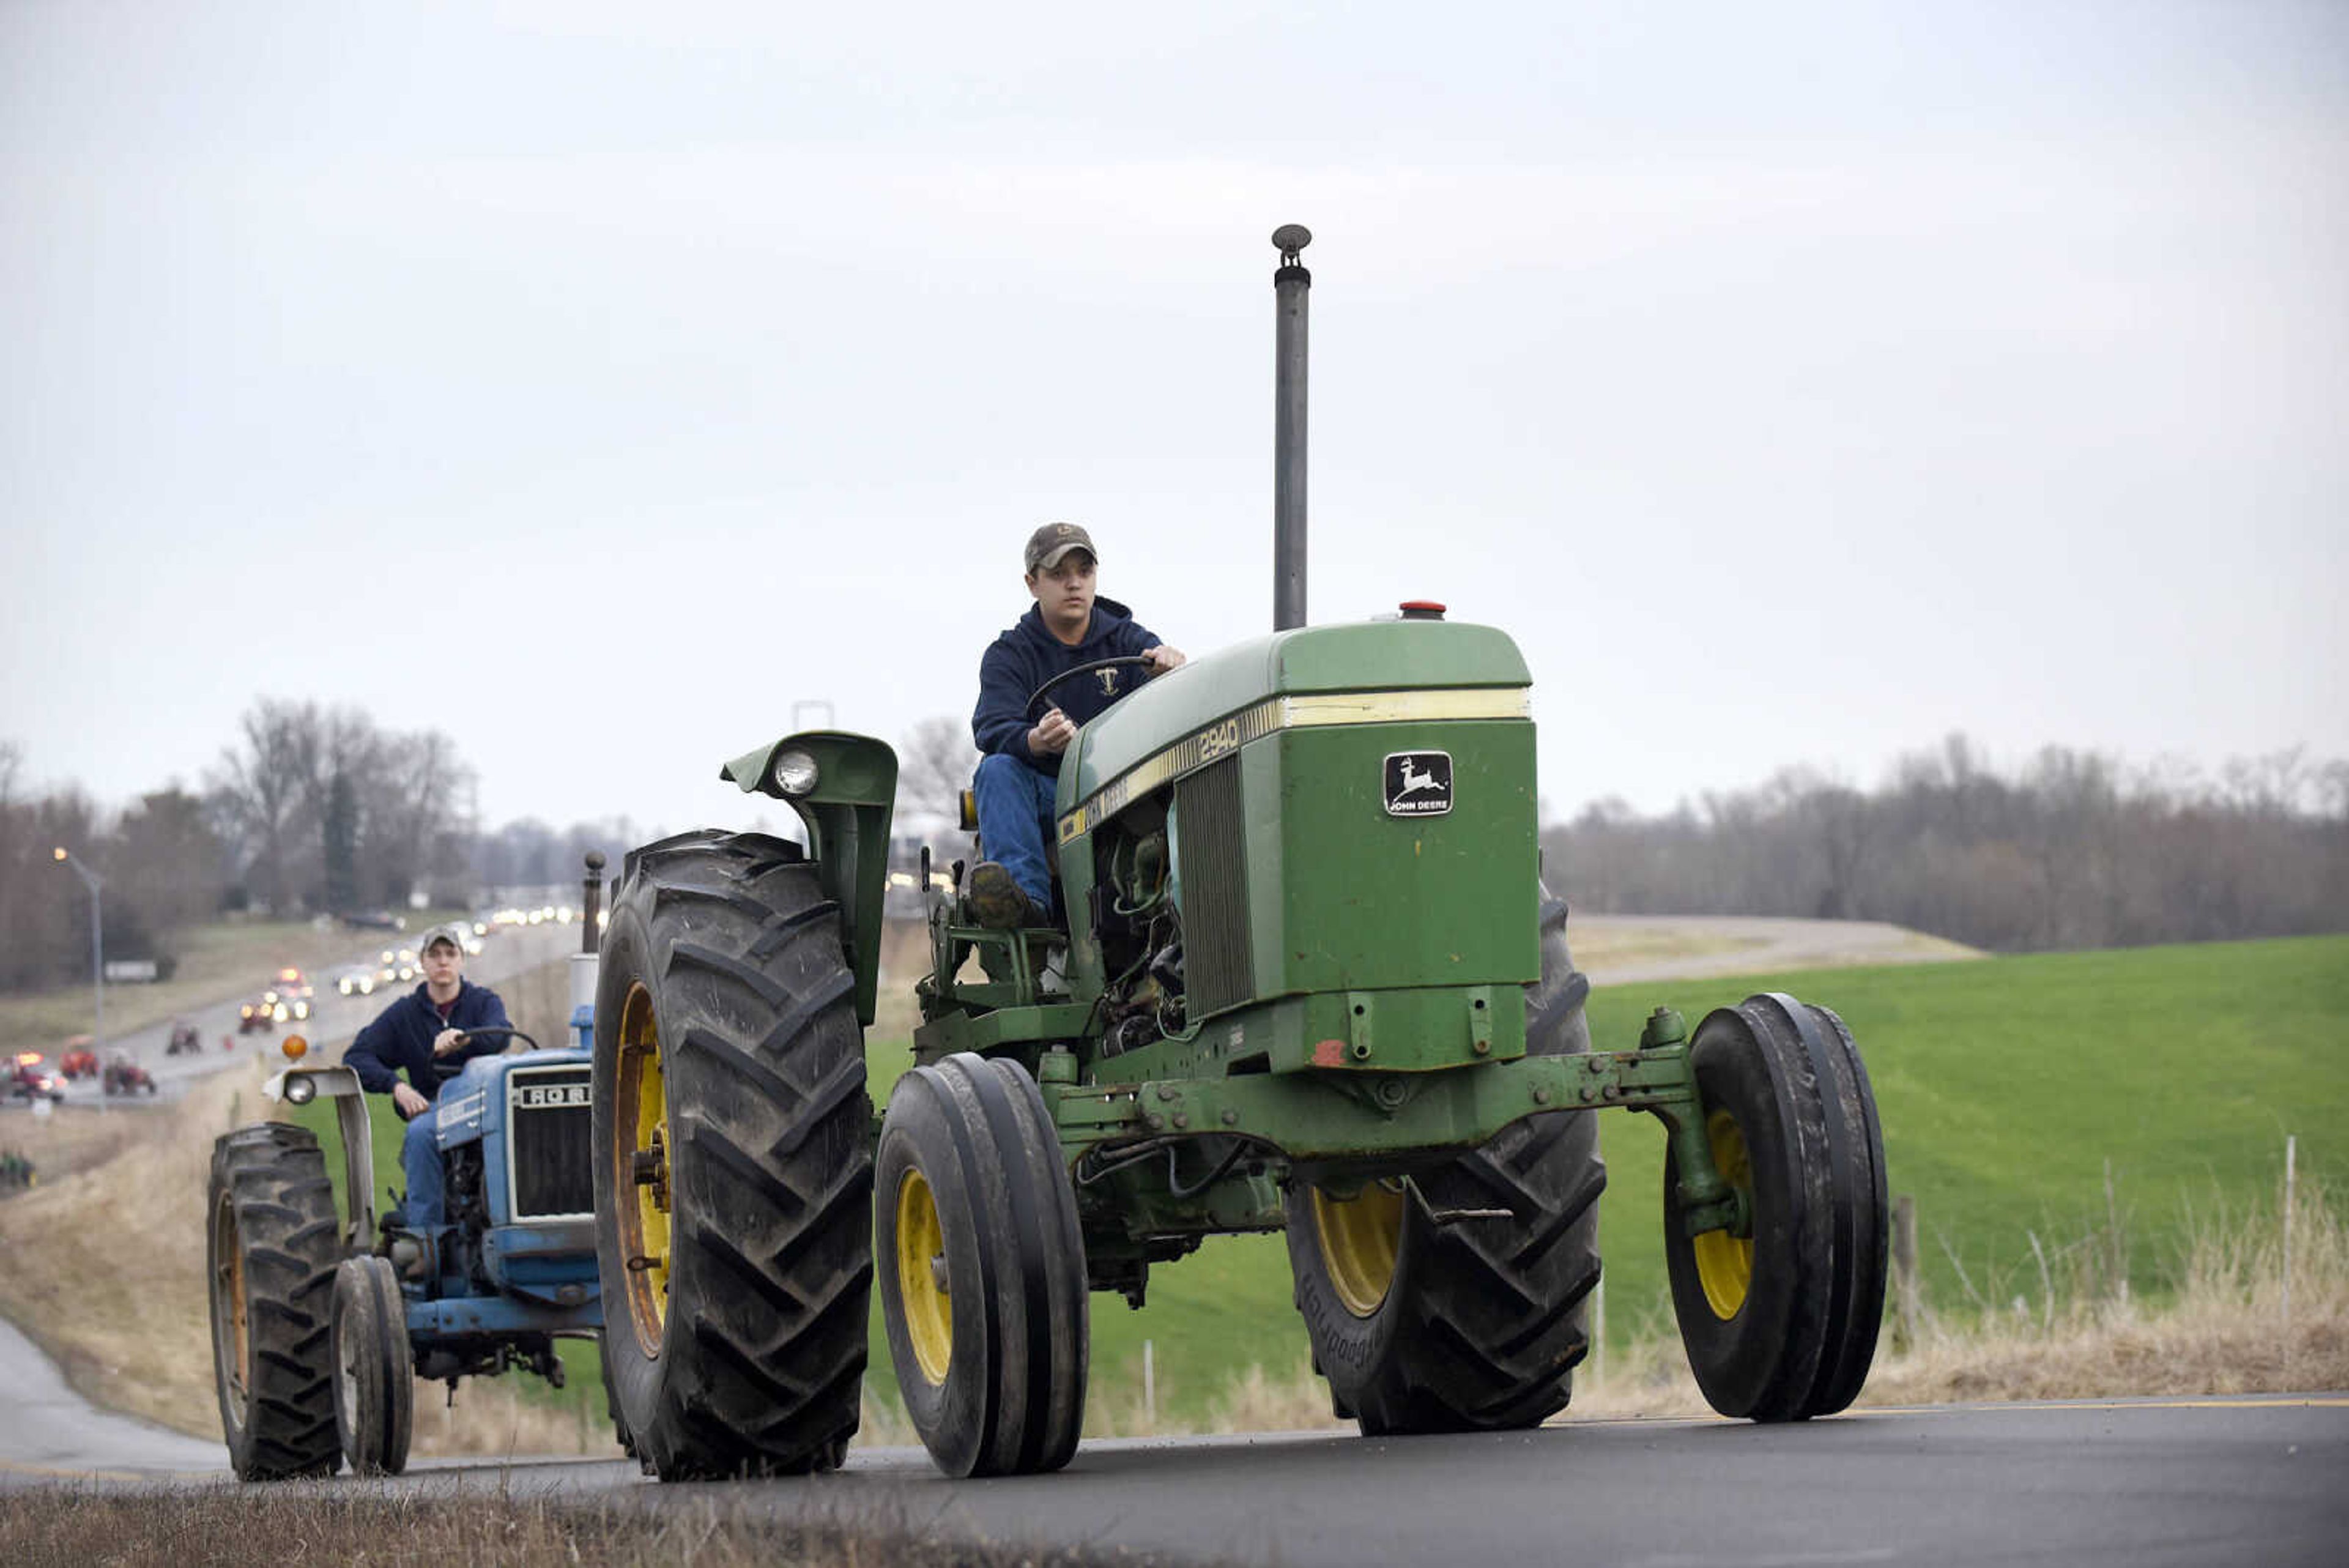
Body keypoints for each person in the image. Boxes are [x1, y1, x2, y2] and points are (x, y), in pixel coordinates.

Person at [968, 522, 1186, 929]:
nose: (1074, 584)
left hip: (1122, 794)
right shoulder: (1010, 654)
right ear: (1033, 583)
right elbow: (992, 726)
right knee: (996, 770)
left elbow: (1171, 712)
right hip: (1048, 796)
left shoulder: (1130, 642)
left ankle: (1189, 909)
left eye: (1084, 572)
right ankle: (1027, 905)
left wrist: (1171, 678)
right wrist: (1034, 740)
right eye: (1058, 574)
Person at [343, 923, 510, 1229]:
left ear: (461, 960)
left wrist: (464, 1039)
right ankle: (427, 1239)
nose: (443, 961)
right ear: (423, 962)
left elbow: (501, 1035)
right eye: (435, 955)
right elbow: (357, 1057)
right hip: (439, 1106)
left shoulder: (484, 1002)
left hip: (486, 1102)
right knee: (421, 1134)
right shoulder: (404, 1015)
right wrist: (397, 1086)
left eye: (450, 953)